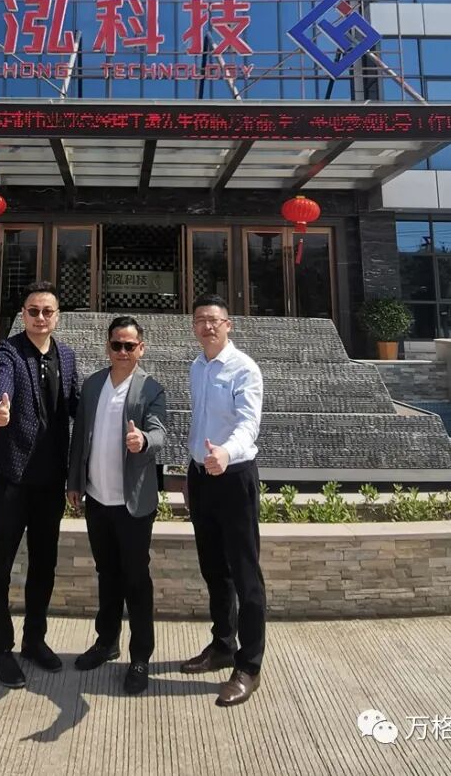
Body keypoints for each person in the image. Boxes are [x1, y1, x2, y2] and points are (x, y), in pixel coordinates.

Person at [0, 280, 79, 689]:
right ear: (23, 314)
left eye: (47, 311)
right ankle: (0, 649)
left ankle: (34, 640)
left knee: (43, 564)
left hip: (50, 481)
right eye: (33, 311)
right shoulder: (9, 350)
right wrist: (1, 403)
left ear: (57, 317)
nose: (40, 317)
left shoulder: (66, 357)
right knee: (0, 564)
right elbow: (2, 379)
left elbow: (76, 405)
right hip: (12, 477)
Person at [67, 316, 167, 695]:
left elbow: (159, 431)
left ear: (141, 348)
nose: (122, 352)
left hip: (132, 504)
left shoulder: (151, 388)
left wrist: (143, 440)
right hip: (97, 499)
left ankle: (140, 656)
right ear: (107, 347)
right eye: (116, 345)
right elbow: (80, 438)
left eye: (129, 345)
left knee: (136, 580)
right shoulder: (93, 385)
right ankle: (106, 641)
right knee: (107, 574)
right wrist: (74, 482)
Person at [180, 293, 266, 708]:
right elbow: (200, 424)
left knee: (246, 575)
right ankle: (222, 646)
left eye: (214, 319)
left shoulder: (244, 368)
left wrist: (225, 454)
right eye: (201, 319)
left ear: (228, 325)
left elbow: (248, 424)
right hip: (202, 478)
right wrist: (193, 467)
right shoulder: (197, 367)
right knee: (214, 570)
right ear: (194, 326)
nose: (207, 326)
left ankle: (249, 666)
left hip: (233, 478)